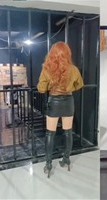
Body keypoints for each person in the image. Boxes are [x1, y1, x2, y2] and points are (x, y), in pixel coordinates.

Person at [37, 42, 84, 178]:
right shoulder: (73, 69)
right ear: (67, 53)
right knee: (68, 132)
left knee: (50, 134)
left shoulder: (47, 69)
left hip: (54, 103)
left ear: (52, 54)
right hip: (68, 102)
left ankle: (48, 164)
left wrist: (51, 87)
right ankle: (66, 159)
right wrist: (68, 88)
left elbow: (41, 89)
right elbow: (79, 85)